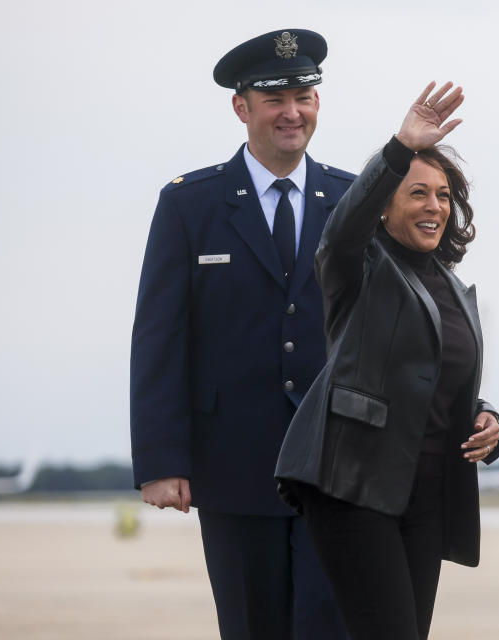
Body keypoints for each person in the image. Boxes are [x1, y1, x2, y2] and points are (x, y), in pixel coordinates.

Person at [130, 29, 351, 640]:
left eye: (304, 97)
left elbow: (391, 326)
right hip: (231, 462)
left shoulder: (354, 198)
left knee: (327, 628)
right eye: (275, 99)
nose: (292, 113)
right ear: (241, 106)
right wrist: (159, 459)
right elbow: (158, 336)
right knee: (252, 628)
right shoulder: (189, 205)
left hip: (335, 464)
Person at [275, 82, 499, 640]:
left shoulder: (452, 288)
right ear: (384, 208)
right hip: (355, 487)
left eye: (444, 196)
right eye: (418, 193)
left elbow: (437, 384)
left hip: (425, 494)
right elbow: (342, 229)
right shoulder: (357, 267)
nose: (434, 207)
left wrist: (490, 421)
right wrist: (400, 147)